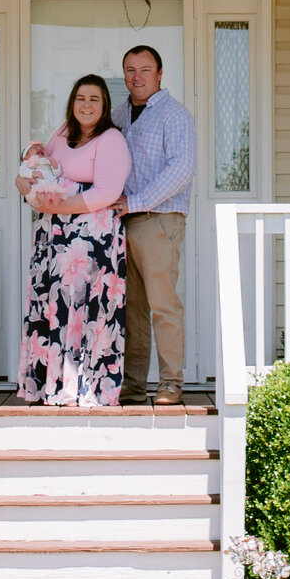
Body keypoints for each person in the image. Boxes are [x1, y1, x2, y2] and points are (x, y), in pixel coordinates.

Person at [14, 73, 130, 406]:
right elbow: (37, 172)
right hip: (53, 239)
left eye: (94, 99)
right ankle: (50, 385)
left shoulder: (111, 139)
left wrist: (58, 205)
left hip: (91, 241)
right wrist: (25, 186)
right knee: (55, 308)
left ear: (105, 104)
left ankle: (84, 388)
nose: (87, 105)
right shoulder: (62, 135)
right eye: (81, 98)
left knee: (84, 311)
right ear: (72, 102)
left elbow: (108, 191)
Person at [112, 44, 195, 406]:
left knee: (163, 305)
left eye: (145, 69)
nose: (137, 76)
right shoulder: (118, 115)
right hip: (122, 223)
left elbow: (180, 169)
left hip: (159, 220)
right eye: (130, 70)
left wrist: (137, 201)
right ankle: (131, 387)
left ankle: (170, 384)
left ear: (160, 74)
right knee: (132, 310)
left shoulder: (174, 115)